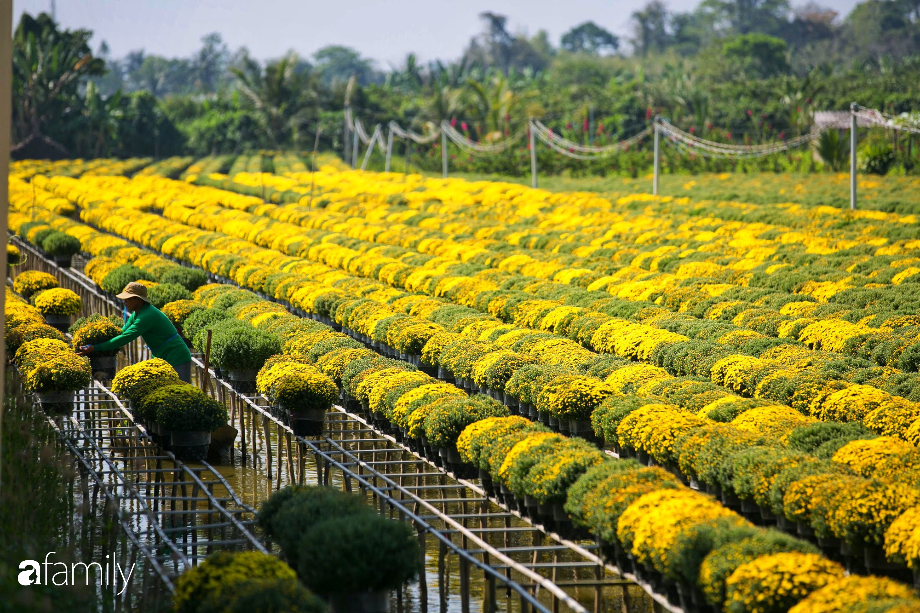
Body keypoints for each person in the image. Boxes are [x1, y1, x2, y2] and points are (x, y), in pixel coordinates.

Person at [77, 282, 193, 383]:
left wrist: (96, 348)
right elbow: (122, 332)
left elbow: (126, 338)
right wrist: (95, 342)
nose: (125, 301)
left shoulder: (147, 315)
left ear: (137, 299)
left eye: (128, 298)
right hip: (161, 356)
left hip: (177, 356)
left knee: (180, 392)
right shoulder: (137, 313)